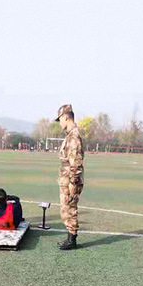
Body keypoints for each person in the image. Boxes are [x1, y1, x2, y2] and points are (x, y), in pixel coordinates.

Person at [56, 104, 85, 250]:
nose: (59, 123)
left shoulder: (73, 136)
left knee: (70, 207)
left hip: (71, 178)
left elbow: (76, 162)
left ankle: (72, 239)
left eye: (60, 119)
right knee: (66, 208)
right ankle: (70, 236)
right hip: (67, 177)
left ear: (65, 117)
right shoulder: (70, 135)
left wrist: (73, 182)